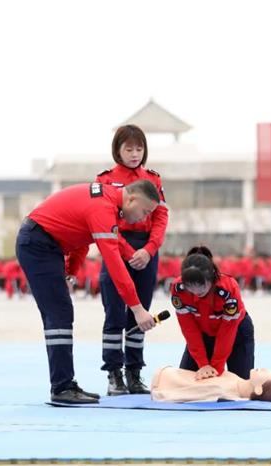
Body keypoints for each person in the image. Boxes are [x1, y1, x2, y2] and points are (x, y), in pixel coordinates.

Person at [15, 180, 160, 404]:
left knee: (61, 312)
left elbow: (83, 239)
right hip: (38, 245)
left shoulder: (107, 200)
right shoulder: (103, 207)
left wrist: (70, 273)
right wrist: (138, 309)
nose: (144, 218)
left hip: (46, 244)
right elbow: (114, 264)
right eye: (145, 211)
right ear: (131, 199)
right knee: (59, 313)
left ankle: (64, 384)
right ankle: (62, 387)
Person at [95, 125, 169, 396]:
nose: (135, 154)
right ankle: (114, 373)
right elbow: (103, 220)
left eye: (139, 148)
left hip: (146, 251)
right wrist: (128, 252)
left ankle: (134, 372)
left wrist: (149, 249)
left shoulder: (153, 179)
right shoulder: (105, 180)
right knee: (114, 313)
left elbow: (160, 216)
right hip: (115, 245)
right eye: (129, 149)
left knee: (141, 314)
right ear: (118, 150)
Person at [170, 246, 255, 380]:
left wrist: (216, 367)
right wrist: (203, 364)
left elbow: (227, 331)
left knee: (241, 384)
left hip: (235, 333)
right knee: (187, 382)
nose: (196, 291)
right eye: (190, 287)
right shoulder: (178, 289)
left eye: (201, 286)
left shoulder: (228, 289)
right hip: (203, 333)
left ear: (211, 278)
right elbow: (189, 328)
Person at [151, 367, 271, 403]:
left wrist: (161, 394)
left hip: (165, 381)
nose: (263, 368)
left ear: (258, 389)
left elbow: (194, 394)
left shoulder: (226, 393)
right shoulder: (237, 380)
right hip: (170, 375)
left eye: (265, 372)